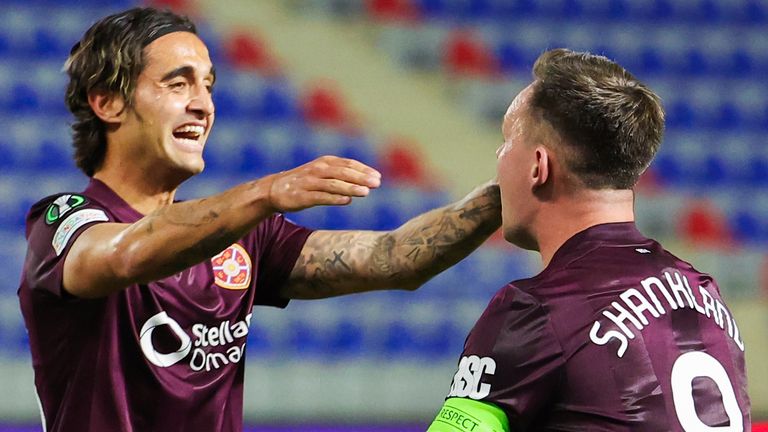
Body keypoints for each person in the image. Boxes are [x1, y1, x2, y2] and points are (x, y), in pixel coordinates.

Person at [16, 7, 502, 432]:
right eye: (177, 82)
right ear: (108, 102)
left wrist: (510, 191)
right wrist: (265, 192)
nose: (203, 105)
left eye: (207, 85)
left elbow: (394, 259)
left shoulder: (246, 237)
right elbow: (125, 256)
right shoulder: (61, 223)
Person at [427, 48, 750, 431]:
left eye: (507, 139)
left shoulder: (534, 310)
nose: (499, 155)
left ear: (538, 167)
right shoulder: (707, 296)